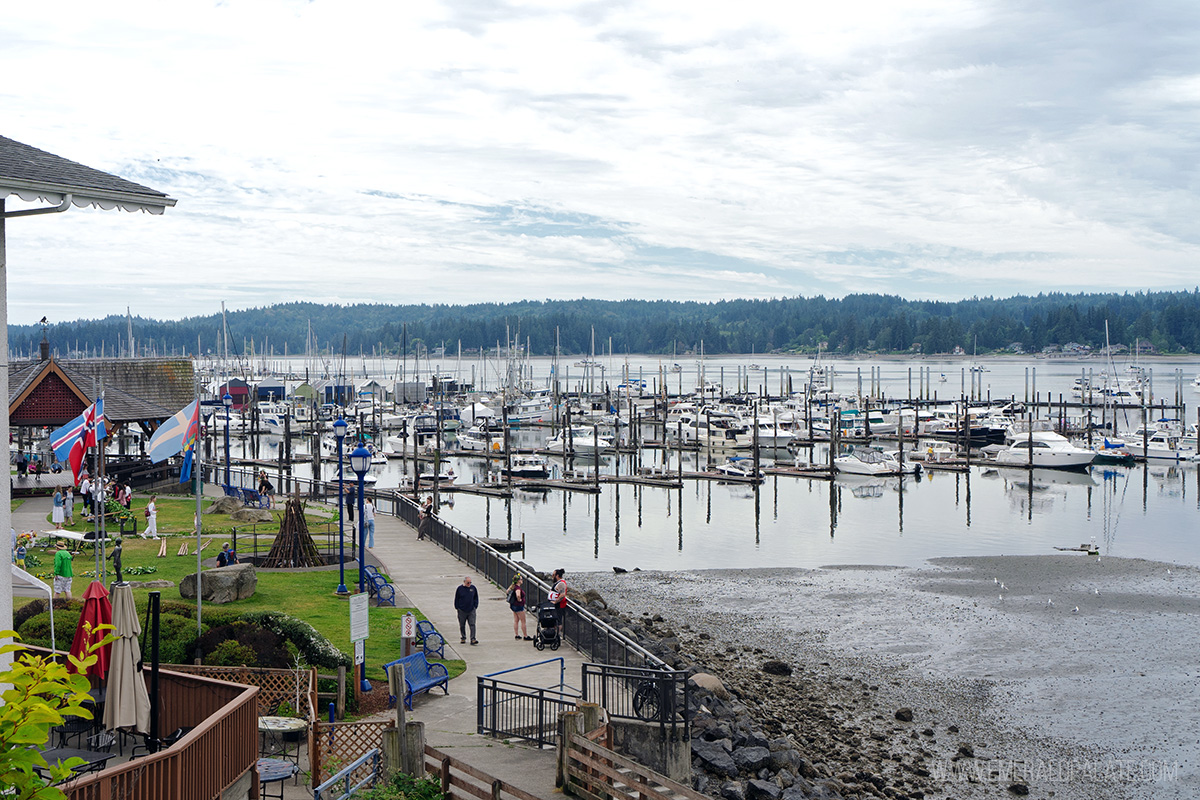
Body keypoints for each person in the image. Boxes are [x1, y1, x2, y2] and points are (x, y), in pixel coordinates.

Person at [454, 576, 479, 645]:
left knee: (472, 624)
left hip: (471, 610)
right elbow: (457, 598)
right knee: (462, 624)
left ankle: (473, 638)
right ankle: (463, 637)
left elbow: (476, 597)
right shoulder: (460, 589)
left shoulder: (473, 588)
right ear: (464, 582)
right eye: (468, 583)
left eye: (470, 582)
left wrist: (475, 606)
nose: (469, 584)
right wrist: (457, 607)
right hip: (462, 610)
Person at [507, 575, 530, 640]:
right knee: (523, 621)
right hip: (519, 606)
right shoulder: (518, 588)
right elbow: (518, 595)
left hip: (513, 605)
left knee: (516, 620)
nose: (522, 580)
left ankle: (516, 635)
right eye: (521, 579)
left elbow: (507, 591)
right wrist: (519, 599)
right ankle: (525, 635)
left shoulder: (512, 587)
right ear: (518, 581)